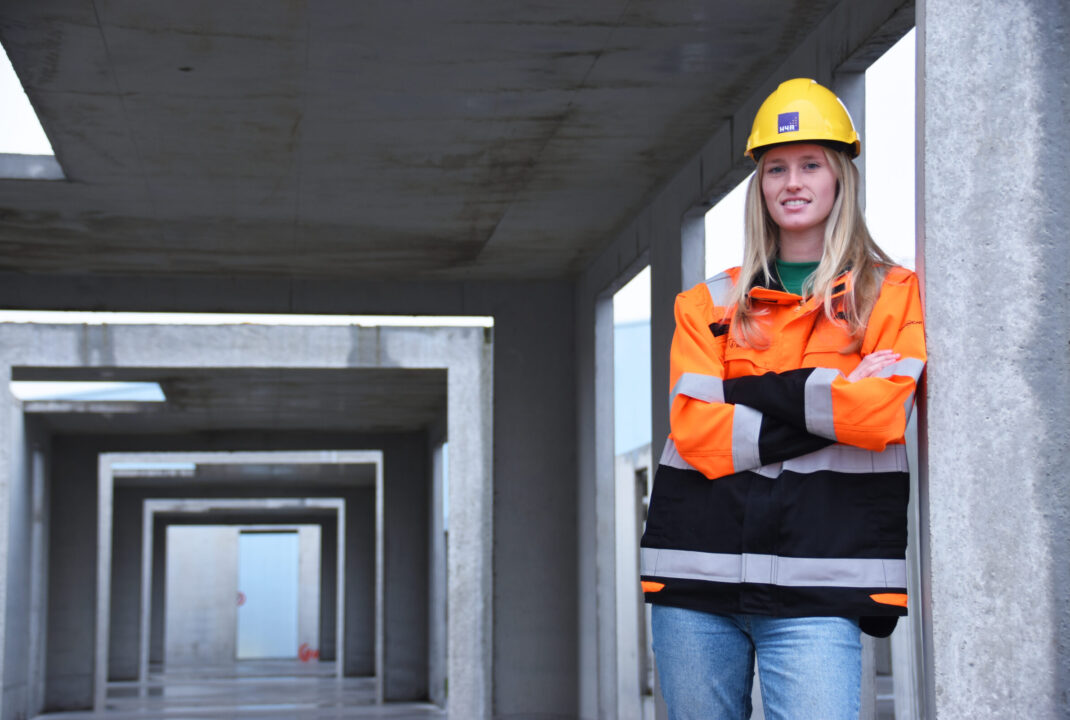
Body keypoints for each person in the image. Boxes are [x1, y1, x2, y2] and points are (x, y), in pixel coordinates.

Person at [639, 78, 926, 719]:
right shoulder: (705, 305)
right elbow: (697, 433)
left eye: (810, 165)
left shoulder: (891, 294)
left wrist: (742, 391)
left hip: (819, 584)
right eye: (776, 169)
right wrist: (834, 398)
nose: (792, 182)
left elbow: (881, 413)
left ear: (840, 176)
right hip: (696, 580)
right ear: (760, 186)